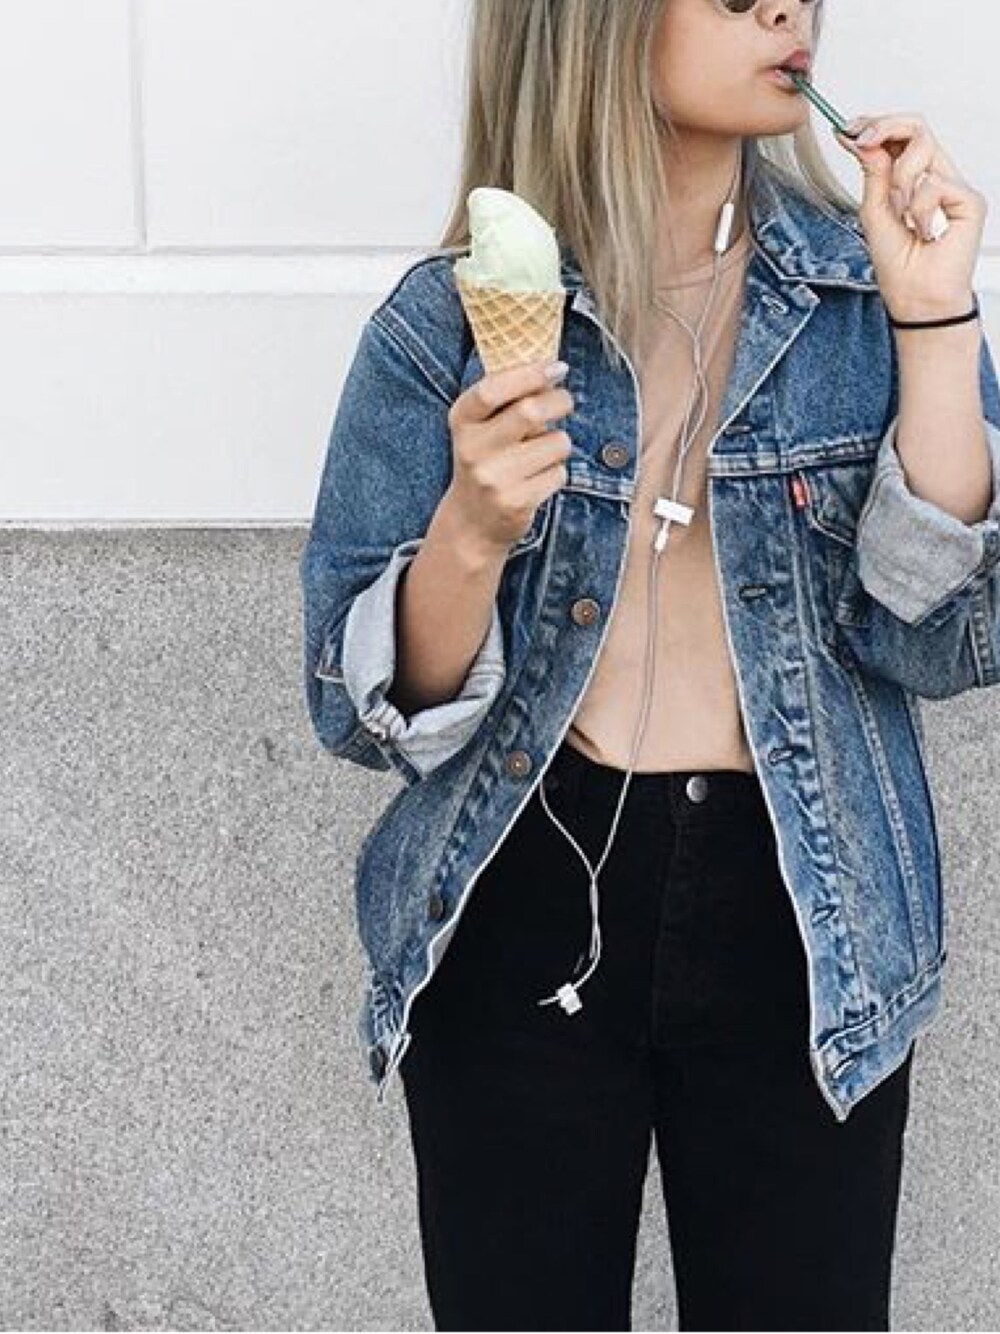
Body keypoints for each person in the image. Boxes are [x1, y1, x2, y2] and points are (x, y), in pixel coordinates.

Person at [299, 0, 1000, 1328]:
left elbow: (945, 633)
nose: (785, 10)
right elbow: (361, 711)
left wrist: (934, 323)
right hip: (517, 893)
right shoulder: (445, 324)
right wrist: (470, 534)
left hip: (807, 914)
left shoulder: (867, 297)